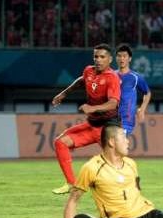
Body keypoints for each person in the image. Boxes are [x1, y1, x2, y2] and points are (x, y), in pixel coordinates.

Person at [51, 43, 121, 195]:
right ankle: (71, 184)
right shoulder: (89, 70)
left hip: (108, 128)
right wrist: (63, 93)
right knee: (60, 142)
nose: (98, 60)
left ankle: (127, 192)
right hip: (92, 125)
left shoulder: (112, 78)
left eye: (102, 57)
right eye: (96, 56)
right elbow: (82, 80)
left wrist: (92, 108)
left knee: (116, 165)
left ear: (110, 59)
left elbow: (113, 103)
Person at [115, 43, 152, 135]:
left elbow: (147, 93)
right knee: (113, 147)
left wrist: (142, 109)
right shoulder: (111, 75)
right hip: (111, 119)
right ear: (116, 58)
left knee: (118, 142)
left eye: (124, 56)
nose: (122, 59)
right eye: (119, 56)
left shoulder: (135, 77)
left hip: (126, 121)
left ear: (130, 59)